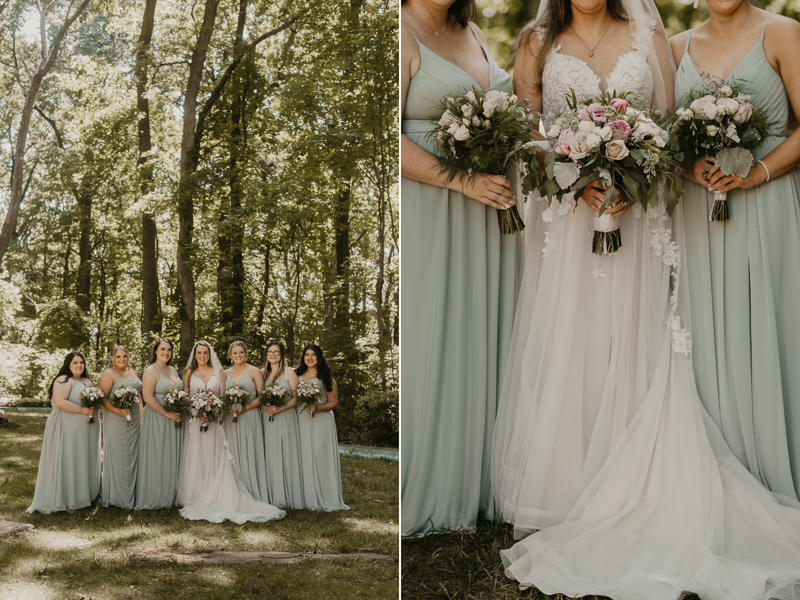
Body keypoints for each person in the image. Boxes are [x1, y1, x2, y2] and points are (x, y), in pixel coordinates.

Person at [494, 0, 800, 596]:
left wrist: (637, 175)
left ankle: (633, 481)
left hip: (639, 217)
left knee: (634, 335)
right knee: (569, 338)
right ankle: (568, 489)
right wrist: (569, 170)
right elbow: (525, 129)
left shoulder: (648, 31)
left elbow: (666, 124)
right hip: (568, 215)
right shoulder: (536, 40)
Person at [400, 0, 522, 537]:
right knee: (438, 334)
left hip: (489, 210)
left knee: (483, 334)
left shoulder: (468, 28)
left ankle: (483, 481)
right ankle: (436, 479)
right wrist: (460, 180)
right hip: (435, 206)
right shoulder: (399, 29)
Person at [671, 0, 800, 501]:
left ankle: (773, 465)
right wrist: (689, 169)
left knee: (770, 324)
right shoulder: (677, 47)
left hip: (768, 208)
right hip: (698, 217)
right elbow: (664, 139)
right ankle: (716, 475)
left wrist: (758, 172)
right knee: (704, 332)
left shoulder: (782, 33)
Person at [176, 341, 284, 523]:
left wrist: (212, 410)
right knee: (196, 455)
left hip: (216, 420)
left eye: (205, 353)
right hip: (195, 421)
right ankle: (196, 495)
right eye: (199, 353)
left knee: (216, 455)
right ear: (194, 355)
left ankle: (217, 494)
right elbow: (186, 396)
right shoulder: (188, 373)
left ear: (210, 354)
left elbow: (223, 396)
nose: (202, 356)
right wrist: (197, 411)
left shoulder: (219, 372)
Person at [28, 352, 100, 514]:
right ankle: (68, 500)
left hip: (85, 429)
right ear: (68, 364)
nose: (79, 365)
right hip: (66, 427)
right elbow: (60, 402)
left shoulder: (87, 381)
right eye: (75, 362)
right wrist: (83, 410)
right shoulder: (63, 380)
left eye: (81, 362)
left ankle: (84, 496)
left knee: (83, 458)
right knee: (69, 459)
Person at [295, 344, 348, 511]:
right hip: (301, 419)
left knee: (319, 456)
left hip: (321, 420)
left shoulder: (326, 377)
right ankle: (305, 497)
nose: (310, 358)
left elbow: (334, 402)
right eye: (307, 355)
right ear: (303, 357)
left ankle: (324, 495)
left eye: (313, 355)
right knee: (303, 456)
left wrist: (317, 408)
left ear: (319, 357)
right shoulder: (296, 375)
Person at [135, 338, 184, 509]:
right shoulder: (151, 370)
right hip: (158, 417)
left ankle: (171, 494)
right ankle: (156, 495)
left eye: (169, 349)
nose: (166, 352)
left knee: (172, 454)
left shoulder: (172, 369)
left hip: (175, 417)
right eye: (163, 349)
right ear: (155, 351)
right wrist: (166, 413)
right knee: (158, 453)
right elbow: (147, 397)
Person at [224, 341, 269, 502]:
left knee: (250, 451)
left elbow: (263, 396)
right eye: (235, 353)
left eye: (241, 352)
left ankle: (252, 491)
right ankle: (233, 492)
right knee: (232, 453)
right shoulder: (224, 374)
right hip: (230, 419)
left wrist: (246, 407)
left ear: (246, 353)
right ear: (230, 355)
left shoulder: (254, 371)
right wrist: (228, 406)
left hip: (249, 417)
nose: (238, 355)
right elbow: (221, 396)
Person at [98, 345, 142, 509]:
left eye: (125, 356)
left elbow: (139, 395)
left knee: (134, 454)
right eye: (118, 357)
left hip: (135, 419)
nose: (122, 359)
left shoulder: (133, 373)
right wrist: (120, 411)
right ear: (111, 358)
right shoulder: (109, 374)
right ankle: (118, 497)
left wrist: (141, 415)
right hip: (116, 419)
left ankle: (134, 493)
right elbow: (102, 399)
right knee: (120, 455)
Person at [261, 340, 303, 509]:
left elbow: (296, 396)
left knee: (286, 452)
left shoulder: (289, 372)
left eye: (276, 352)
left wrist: (281, 408)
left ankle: (288, 495)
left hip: (285, 417)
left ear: (281, 354)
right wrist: (265, 407)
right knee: (269, 453)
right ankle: (271, 494)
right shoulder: (262, 373)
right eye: (270, 351)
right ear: (266, 354)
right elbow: (257, 395)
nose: (273, 354)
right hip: (267, 418)